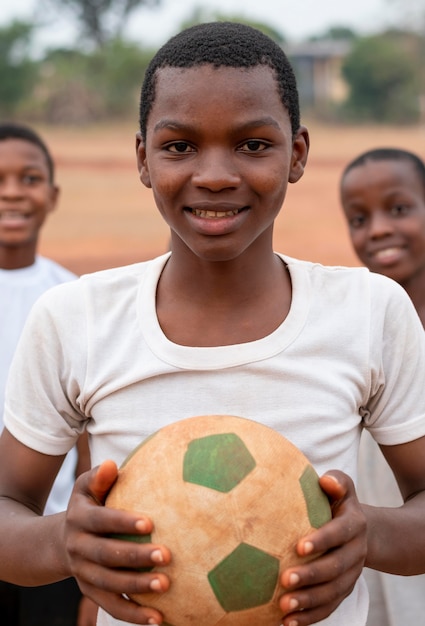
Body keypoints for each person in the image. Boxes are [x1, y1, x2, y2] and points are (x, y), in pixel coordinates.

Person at [0, 22, 425, 626]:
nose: (216, 174)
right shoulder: (76, 318)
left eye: (253, 144)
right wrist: (59, 544)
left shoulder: (369, 311)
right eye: (180, 147)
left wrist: (370, 536)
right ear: (143, 158)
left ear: (297, 154)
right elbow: (8, 505)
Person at [0, 122, 98, 626]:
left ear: (53, 195)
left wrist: (90, 587)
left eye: (29, 178)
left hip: (49, 541)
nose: (12, 192)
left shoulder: (72, 301)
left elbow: (88, 431)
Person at [339, 147, 425, 626]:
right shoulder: (351, 332)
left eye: (399, 209)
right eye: (358, 218)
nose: (377, 230)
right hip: (374, 560)